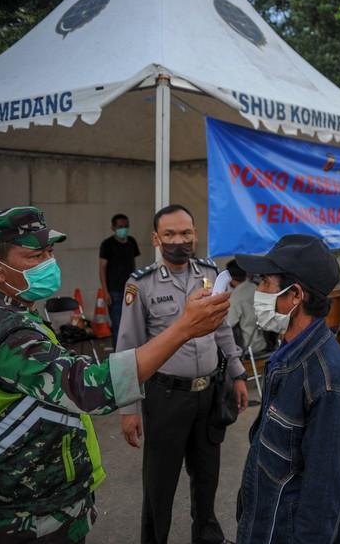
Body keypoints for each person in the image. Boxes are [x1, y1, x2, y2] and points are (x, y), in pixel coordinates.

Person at [0, 206, 231, 544]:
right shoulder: (9, 335)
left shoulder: (7, 315)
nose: (48, 262)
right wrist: (184, 328)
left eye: (50, 252)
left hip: (46, 495)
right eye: (34, 255)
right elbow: (93, 389)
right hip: (27, 512)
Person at [117, 204, 248, 544]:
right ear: (156, 238)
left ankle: (207, 536)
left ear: (196, 234)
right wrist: (128, 408)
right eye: (171, 234)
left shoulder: (210, 273)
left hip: (208, 395)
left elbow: (221, 328)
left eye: (186, 233)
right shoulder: (140, 284)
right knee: (160, 484)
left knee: (207, 477)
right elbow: (127, 347)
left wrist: (237, 373)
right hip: (166, 397)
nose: (180, 240)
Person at [234, 235, 340, 544]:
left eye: (265, 283)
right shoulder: (286, 355)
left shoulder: (329, 383)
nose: (258, 292)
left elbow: (323, 502)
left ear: (295, 295)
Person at [99, 213, 141, 349]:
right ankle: (119, 355)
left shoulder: (132, 242)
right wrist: (105, 292)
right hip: (115, 291)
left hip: (131, 289)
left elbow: (133, 264)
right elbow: (102, 269)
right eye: (120, 226)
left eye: (126, 226)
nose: (124, 229)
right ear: (113, 227)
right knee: (118, 325)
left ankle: (131, 353)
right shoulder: (107, 245)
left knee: (133, 324)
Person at [225, 259, 268, 356]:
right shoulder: (257, 287)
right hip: (264, 343)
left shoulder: (236, 296)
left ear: (230, 278)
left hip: (249, 348)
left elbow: (229, 323)